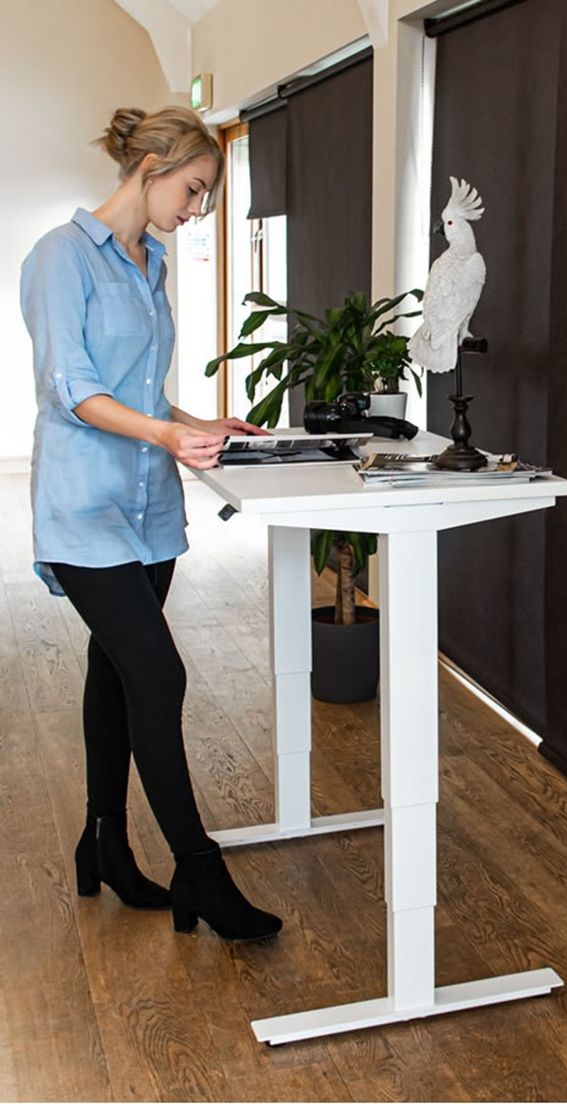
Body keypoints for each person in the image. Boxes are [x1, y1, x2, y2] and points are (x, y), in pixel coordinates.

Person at [20, 106, 282, 943]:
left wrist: (198, 422)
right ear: (152, 165)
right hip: (86, 507)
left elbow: (135, 394)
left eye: (205, 197)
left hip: (149, 508)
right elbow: (72, 388)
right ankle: (198, 872)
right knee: (159, 677)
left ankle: (102, 845)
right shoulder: (60, 257)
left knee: (117, 672)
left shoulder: (152, 262)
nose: (196, 210)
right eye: (195, 189)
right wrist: (167, 435)